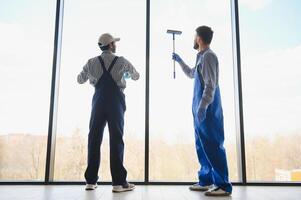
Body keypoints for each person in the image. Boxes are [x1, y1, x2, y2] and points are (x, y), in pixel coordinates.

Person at [172, 26, 232, 196]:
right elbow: (192, 74)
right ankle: (206, 180)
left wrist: (203, 107)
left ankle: (223, 185)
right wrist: (180, 61)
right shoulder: (201, 58)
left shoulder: (209, 57)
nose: (193, 38)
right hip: (199, 108)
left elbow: (211, 85)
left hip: (208, 109)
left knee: (213, 144)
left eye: (194, 36)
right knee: (202, 145)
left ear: (198, 38)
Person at [77, 33, 139, 192]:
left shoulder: (91, 62)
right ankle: (118, 183)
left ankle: (90, 181)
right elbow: (136, 76)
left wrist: (92, 75)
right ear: (111, 45)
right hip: (116, 102)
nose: (115, 45)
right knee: (116, 138)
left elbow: (79, 79)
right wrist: (125, 75)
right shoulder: (122, 61)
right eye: (114, 43)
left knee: (94, 138)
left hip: (98, 101)